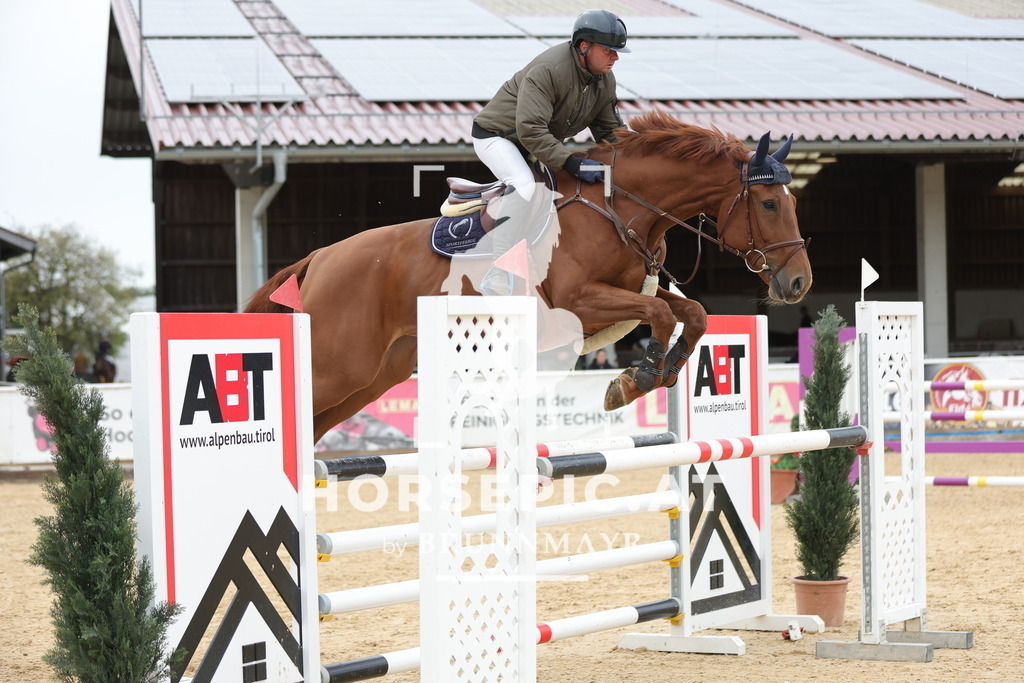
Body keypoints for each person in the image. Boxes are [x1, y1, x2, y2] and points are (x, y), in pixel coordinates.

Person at [472, 8, 629, 296]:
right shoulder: (549, 70)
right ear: (584, 47)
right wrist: (570, 162)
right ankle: (499, 270)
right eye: (608, 50)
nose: (615, 57)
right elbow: (530, 128)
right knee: (525, 186)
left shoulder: (604, 81)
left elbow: (610, 134)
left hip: (534, 145)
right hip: (498, 137)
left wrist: (635, 160)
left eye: (617, 51)